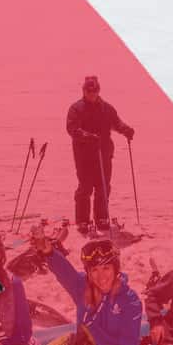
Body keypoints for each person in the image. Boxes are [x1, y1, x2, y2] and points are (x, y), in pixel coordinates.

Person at [65, 74, 135, 235]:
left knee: (103, 186)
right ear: (83, 90)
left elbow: (116, 123)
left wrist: (126, 130)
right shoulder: (76, 108)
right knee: (85, 187)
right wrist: (87, 136)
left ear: (98, 90)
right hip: (84, 155)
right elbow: (72, 129)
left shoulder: (106, 108)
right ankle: (83, 219)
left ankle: (101, 217)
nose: (92, 93)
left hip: (104, 153)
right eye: (89, 90)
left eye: (94, 90)